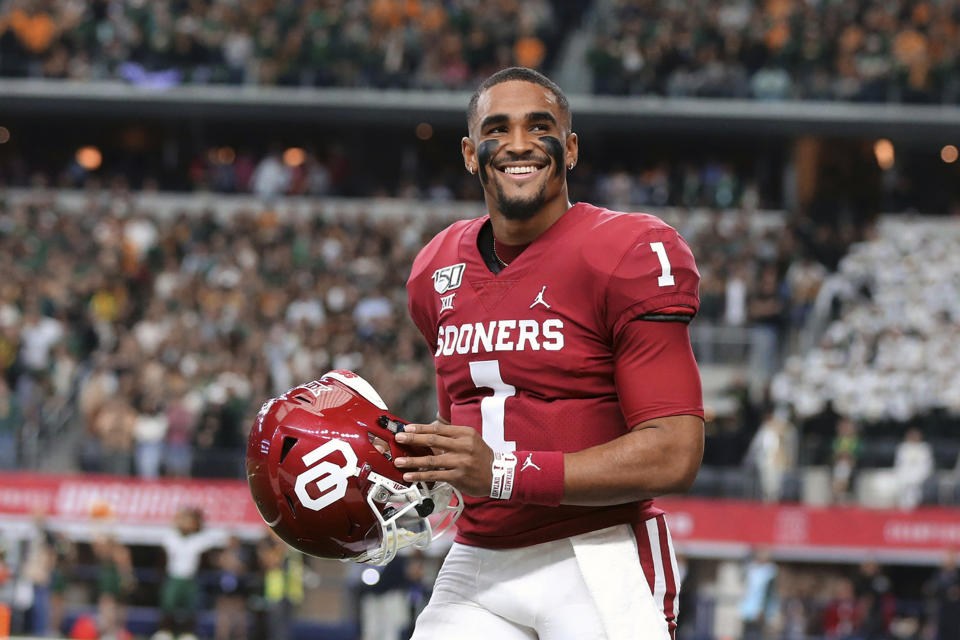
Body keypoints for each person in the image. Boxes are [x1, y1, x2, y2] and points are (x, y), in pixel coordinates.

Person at [400, 67, 704, 639]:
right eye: (498, 128)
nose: (518, 144)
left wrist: (506, 472)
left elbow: (674, 453)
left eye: (538, 127)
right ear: (470, 153)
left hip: (596, 554)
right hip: (477, 559)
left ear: (568, 149)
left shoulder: (627, 250)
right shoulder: (435, 267)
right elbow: (466, 421)